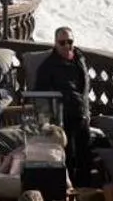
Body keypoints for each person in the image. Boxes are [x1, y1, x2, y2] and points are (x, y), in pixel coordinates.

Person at [33, 28, 92, 182]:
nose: (67, 46)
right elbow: (40, 94)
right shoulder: (48, 66)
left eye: (70, 42)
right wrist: (45, 121)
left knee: (85, 155)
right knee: (69, 156)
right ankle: (70, 191)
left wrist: (87, 111)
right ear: (55, 43)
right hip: (62, 116)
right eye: (62, 42)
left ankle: (86, 194)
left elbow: (85, 87)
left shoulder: (80, 59)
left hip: (82, 113)